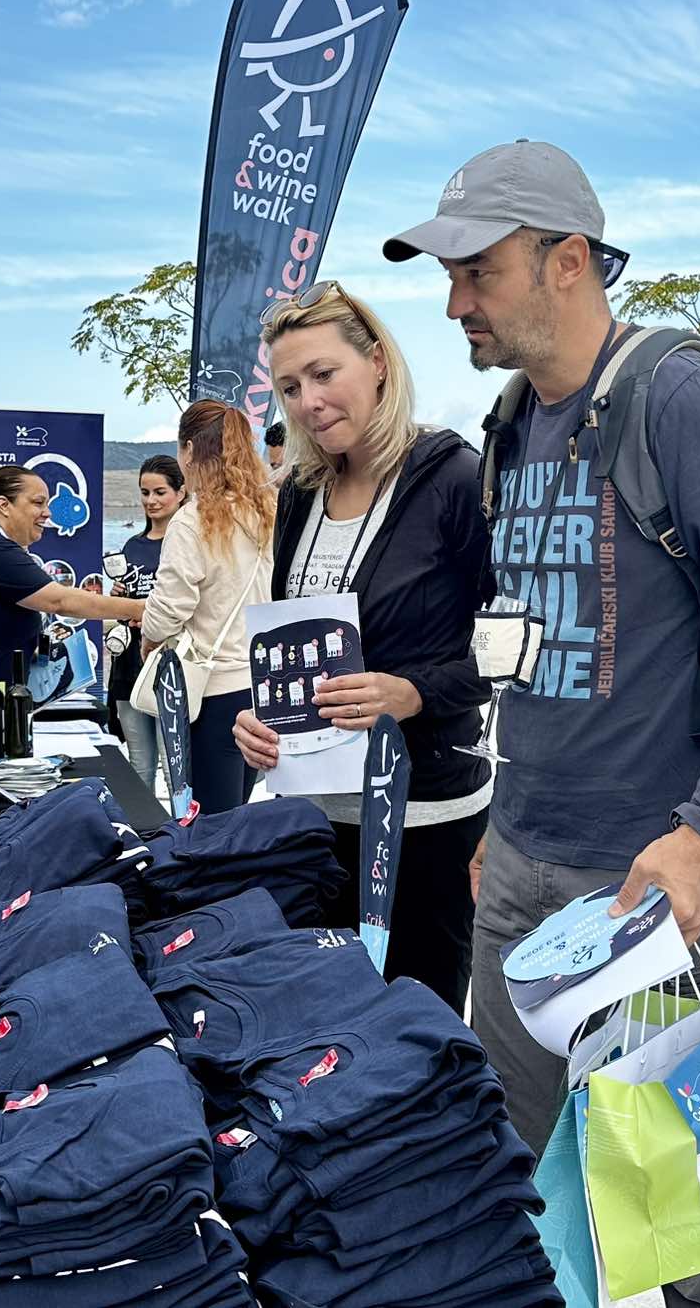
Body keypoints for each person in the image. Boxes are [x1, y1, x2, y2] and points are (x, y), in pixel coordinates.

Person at [384, 140, 700, 1308]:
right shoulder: (509, 424)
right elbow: (533, 636)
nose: (454, 305)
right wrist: (510, 803)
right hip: (523, 869)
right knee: (513, 1189)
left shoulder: (679, 398)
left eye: (476, 273)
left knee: (688, 1226)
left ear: (567, 261)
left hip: (657, 894)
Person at [231, 281, 493, 1011]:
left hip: (422, 820)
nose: (308, 401)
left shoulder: (454, 482)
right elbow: (295, 644)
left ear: (377, 362)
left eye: (324, 374)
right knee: (320, 1029)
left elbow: (513, 645)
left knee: (414, 1034)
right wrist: (262, 720)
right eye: (289, 386)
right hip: (314, 822)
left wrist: (412, 692)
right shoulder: (298, 497)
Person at [142, 402, 272, 815]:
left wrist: (148, 637)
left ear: (189, 450)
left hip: (209, 691)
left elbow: (169, 608)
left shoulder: (191, 521)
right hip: (261, 685)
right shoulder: (267, 513)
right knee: (237, 811)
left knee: (206, 820)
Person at [0, 465, 143, 682]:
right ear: (4, 505)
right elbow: (59, 601)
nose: (48, 513)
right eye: (38, 503)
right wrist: (141, 608)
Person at [109, 455, 183, 786]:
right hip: (129, 666)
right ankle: (144, 837)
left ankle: (182, 837)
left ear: (181, 493)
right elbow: (121, 607)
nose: (151, 501)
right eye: (144, 492)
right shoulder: (131, 545)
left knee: (175, 768)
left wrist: (153, 617)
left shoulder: (187, 544)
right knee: (139, 767)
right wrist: (118, 598)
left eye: (160, 492)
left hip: (171, 665)